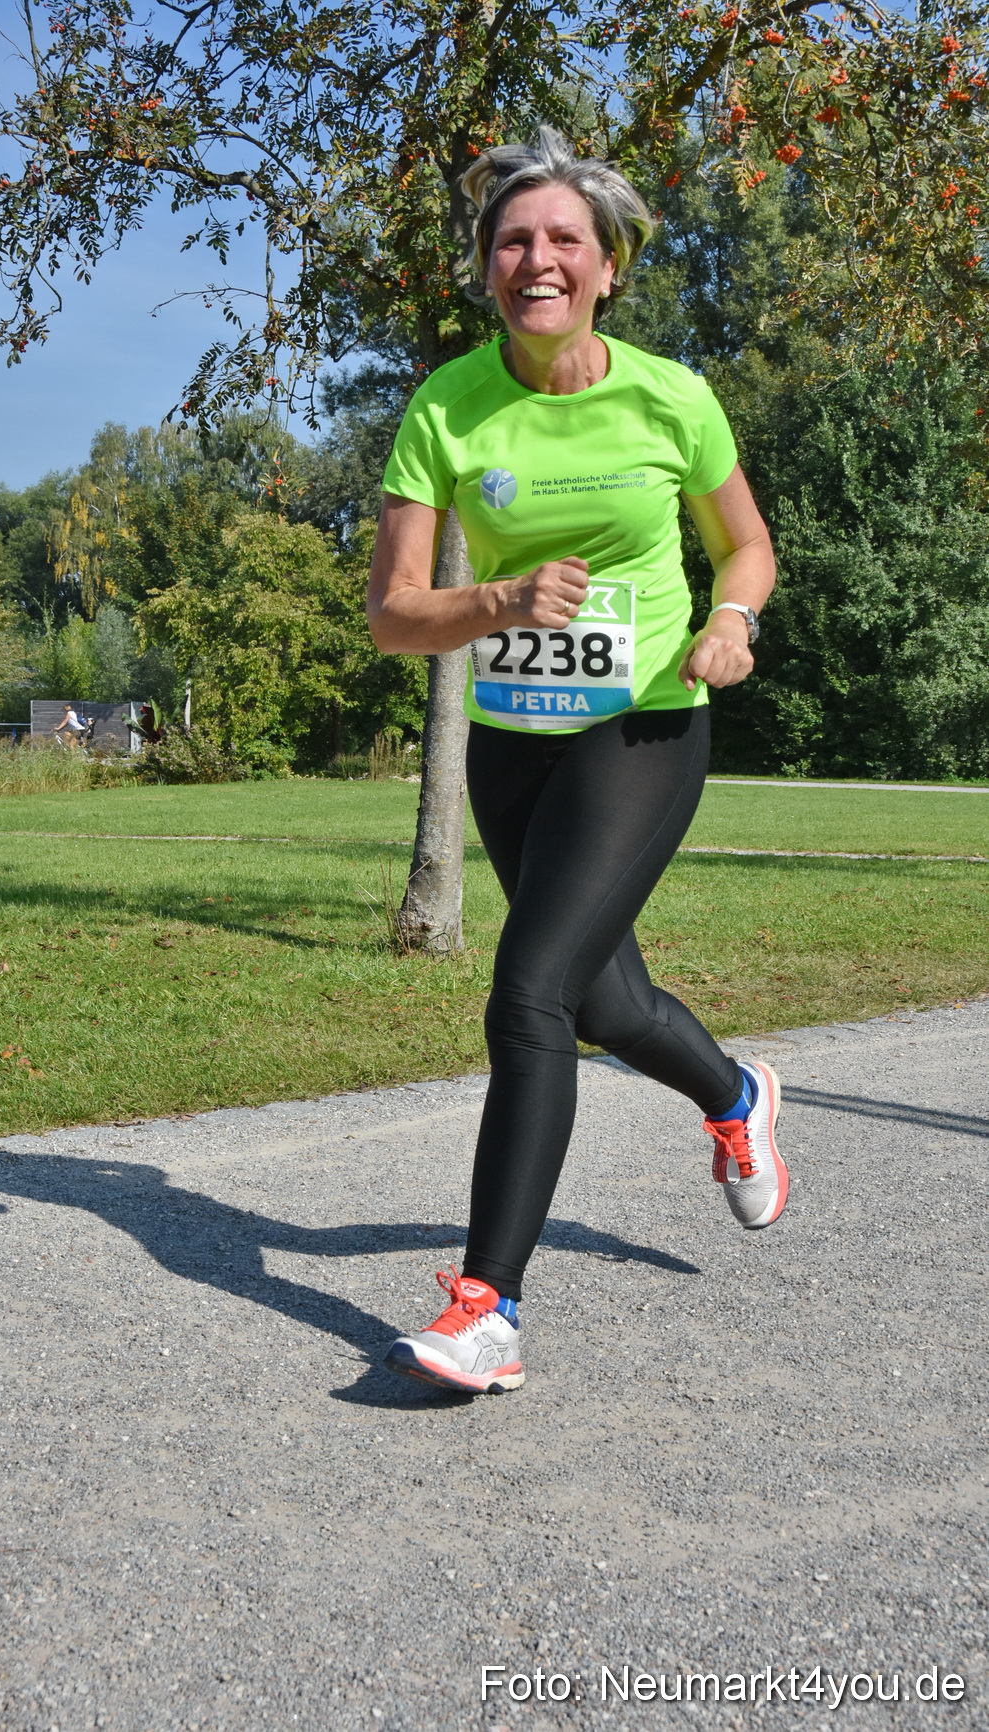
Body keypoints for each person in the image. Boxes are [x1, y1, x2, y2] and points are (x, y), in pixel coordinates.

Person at [367, 128, 786, 1396]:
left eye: (562, 240)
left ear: (608, 266)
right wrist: (495, 600)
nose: (535, 259)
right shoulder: (446, 404)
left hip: (645, 723)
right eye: (512, 240)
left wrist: (730, 622)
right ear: (485, 268)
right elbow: (393, 615)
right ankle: (736, 1092)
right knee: (602, 1002)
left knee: (531, 994)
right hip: (514, 742)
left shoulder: (670, 395)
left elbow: (746, 546)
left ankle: (486, 1307)